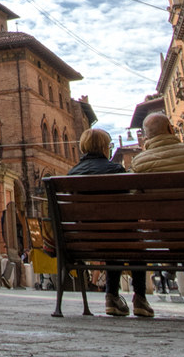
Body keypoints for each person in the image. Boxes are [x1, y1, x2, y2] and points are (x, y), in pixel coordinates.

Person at [130, 112, 184, 320]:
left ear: (145, 138)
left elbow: (135, 206)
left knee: (175, 235)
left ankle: (140, 297)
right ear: (171, 129)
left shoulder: (139, 163)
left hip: (164, 239)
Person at [68, 127, 153, 318]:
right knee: (129, 240)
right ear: (106, 148)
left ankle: (112, 298)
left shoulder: (71, 175)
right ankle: (139, 298)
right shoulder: (115, 170)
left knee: (115, 239)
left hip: (83, 243)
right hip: (117, 237)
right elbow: (129, 208)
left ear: (83, 147)